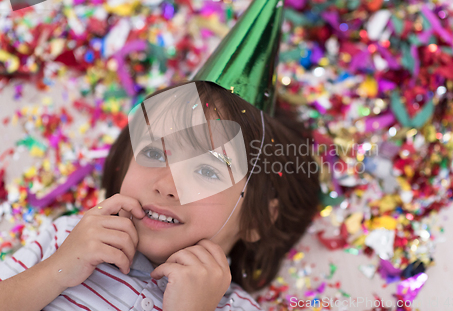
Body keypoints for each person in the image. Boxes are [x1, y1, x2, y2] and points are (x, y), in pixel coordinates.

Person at [0, 80, 320, 311]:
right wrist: (56, 270)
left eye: (207, 171)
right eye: (154, 152)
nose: (167, 185)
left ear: (257, 218)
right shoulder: (67, 238)